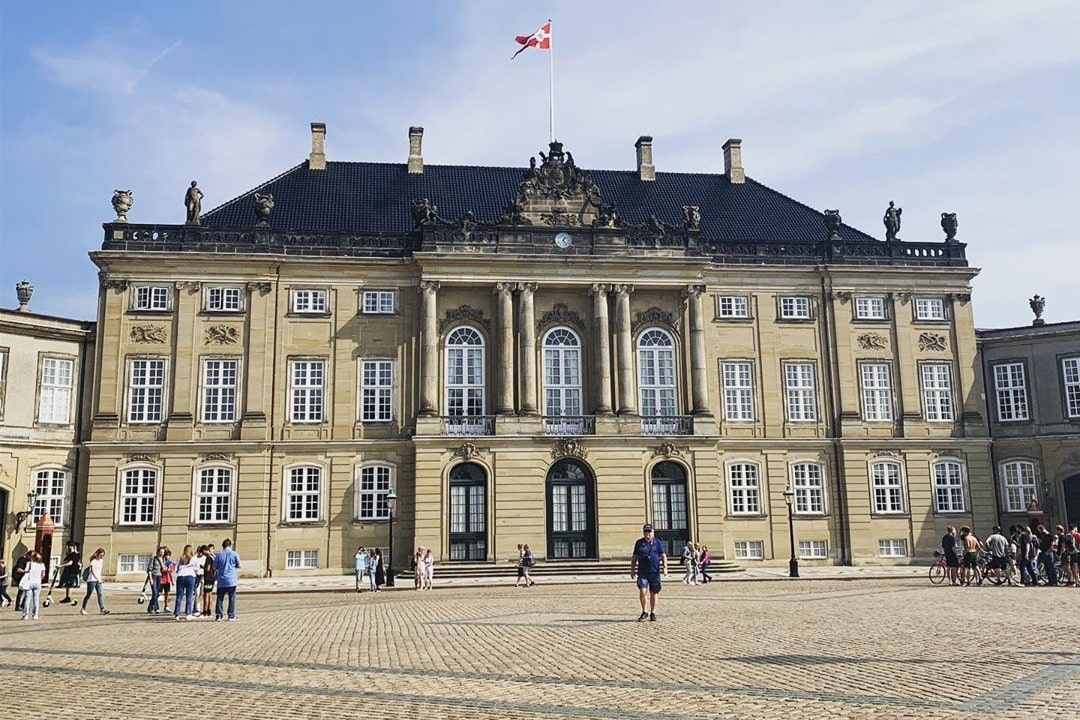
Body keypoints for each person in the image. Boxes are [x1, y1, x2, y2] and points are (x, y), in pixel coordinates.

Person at [630, 523, 668, 622]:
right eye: (645, 531)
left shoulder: (657, 542)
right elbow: (634, 557)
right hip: (642, 572)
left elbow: (663, 555)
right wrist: (632, 569)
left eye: (649, 531)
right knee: (642, 591)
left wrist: (665, 567)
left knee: (654, 592)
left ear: (652, 532)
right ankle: (644, 611)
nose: (647, 533)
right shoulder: (639, 543)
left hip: (654, 572)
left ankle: (653, 612)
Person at [212, 538, 241, 621]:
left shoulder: (218, 555)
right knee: (232, 598)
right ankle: (231, 615)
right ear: (230, 545)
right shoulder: (234, 554)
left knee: (220, 598)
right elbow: (239, 565)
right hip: (231, 579)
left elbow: (214, 567)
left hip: (221, 579)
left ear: (223, 546)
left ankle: (219, 615)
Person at [80, 548, 109, 615]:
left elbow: (99, 571)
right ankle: (83, 609)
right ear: (97, 554)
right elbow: (92, 571)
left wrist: (100, 578)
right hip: (92, 580)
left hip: (98, 580)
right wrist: (97, 578)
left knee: (100, 594)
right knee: (88, 594)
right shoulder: (93, 561)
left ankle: (102, 609)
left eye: (103, 555)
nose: (101, 557)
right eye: (101, 555)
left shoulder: (101, 561)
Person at [173, 545, 200, 620]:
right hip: (190, 576)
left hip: (181, 576)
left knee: (179, 596)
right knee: (189, 596)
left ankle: (177, 614)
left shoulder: (180, 558)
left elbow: (176, 569)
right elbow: (197, 568)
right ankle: (188, 613)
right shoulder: (194, 558)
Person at [19, 551, 46, 620]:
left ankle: (25, 615)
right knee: (36, 599)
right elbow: (43, 574)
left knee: (27, 599)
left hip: (30, 582)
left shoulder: (29, 564)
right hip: (37, 583)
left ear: (33, 558)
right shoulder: (42, 564)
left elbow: (26, 571)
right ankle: (35, 615)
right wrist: (40, 580)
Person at [145, 546, 166, 614]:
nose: (162, 553)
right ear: (158, 552)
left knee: (157, 593)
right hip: (153, 576)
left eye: (163, 552)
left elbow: (164, 569)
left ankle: (150, 607)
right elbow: (149, 569)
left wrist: (161, 561)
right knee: (154, 592)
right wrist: (150, 578)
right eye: (161, 552)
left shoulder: (163, 559)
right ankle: (157, 608)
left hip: (159, 576)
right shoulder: (153, 559)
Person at [200, 544, 217, 618]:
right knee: (210, 594)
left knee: (206, 594)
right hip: (212, 578)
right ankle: (209, 610)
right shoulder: (212, 557)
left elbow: (208, 568)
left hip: (208, 578)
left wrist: (202, 566)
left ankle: (205, 611)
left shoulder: (208, 558)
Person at [160, 547, 174, 613]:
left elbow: (171, 572)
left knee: (167, 593)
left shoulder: (170, 563)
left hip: (167, 580)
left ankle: (166, 606)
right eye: (166, 555)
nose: (167, 557)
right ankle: (153, 605)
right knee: (158, 593)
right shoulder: (161, 561)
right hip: (161, 579)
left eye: (169, 555)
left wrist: (172, 580)